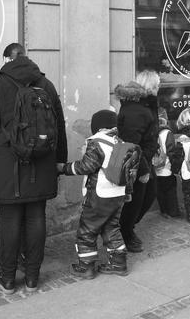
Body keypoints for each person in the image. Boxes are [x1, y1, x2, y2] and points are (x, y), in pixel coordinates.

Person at [0, 43, 68, 293]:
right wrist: (60, 159)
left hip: (6, 162)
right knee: (36, 216)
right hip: (42, 161)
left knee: (9, 219)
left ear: (7, 61)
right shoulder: (45, 85)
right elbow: (58, 125)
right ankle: (32, 277)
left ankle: (7, 277)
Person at [57, 109, 139, 279]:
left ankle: (86, 267)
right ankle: (118, 263)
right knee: (112, 228)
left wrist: (63, 168)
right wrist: (128, 193)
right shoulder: (119, 142)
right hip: (118, 194)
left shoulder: (97, 142)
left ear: (97, 126)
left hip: (99, 195)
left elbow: (86, 166)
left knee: (87, 230)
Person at [115, 70, 160, 253]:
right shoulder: (137, 109)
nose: (159, 88)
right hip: (136, 161)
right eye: (157, 85)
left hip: (143, 158)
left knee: (146, 195)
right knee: (135, 199)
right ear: (150, 86)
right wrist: (142, 169)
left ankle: (127, 229)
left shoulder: (145, 105)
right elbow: (131, 144)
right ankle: (125, 232)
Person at [154, 112, 180, 218]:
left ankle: (163, 210)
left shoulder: (153, 133)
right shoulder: (167, 133)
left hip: (155, 167)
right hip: (166, 168)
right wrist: (175, 167)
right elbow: (171, 151)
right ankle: (173, 212)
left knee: (160, 191)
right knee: (170, 191)